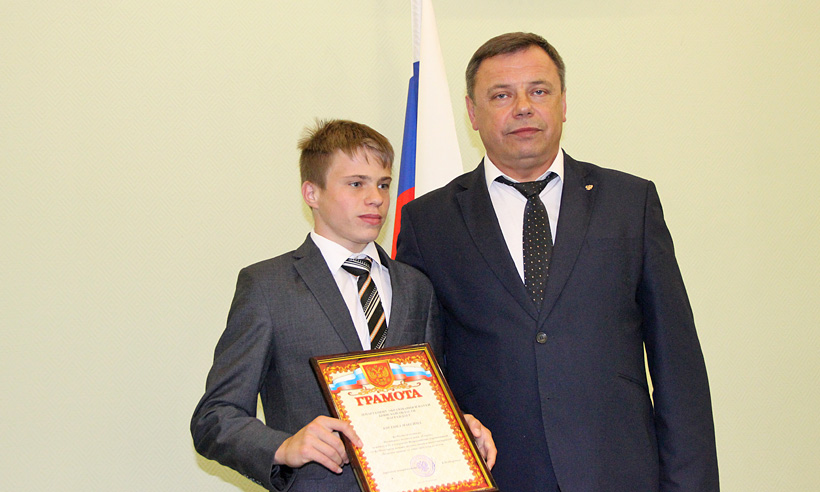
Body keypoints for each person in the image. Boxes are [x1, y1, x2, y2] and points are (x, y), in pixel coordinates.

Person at [395, 32, 719, 492]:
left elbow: (678, 365)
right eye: (501, 95)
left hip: (618, 474)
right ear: (472, 112)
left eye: (539, 91)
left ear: (563, 102)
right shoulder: (429, 221)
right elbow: (414, 369)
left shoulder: (630, 203)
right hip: (494, 476)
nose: (523, 107)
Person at [191, 119, 495, 492]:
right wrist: (284, 447)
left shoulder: (417, 286)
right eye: (356, 184)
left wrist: (459, 426)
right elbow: (214, 418)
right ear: (311, 193)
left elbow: (430, 396)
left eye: (383, 184)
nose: (376, 198)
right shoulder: (268, 287)